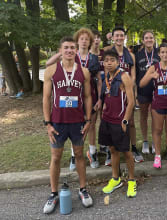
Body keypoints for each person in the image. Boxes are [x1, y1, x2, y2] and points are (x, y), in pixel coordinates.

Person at [42, 36, 93, 214]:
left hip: (77, 121)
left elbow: (87, 97)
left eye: (72, 47)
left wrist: (88, 120)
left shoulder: (84, 72)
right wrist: (48, 123)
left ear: (76, 50)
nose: (70, 50)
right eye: (66, 48)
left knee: (79, 154)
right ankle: (53, 193)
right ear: (61, 50)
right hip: (58, 121)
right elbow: (46, 98)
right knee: (56, 157)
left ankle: (83, 189)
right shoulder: (51, 70)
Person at [46, 28, 102, 170]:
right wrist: (63, 50)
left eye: (87, 39)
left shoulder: (94, 58)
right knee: (74, 126)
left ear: (90, 42)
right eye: (81, 39)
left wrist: (100, 98)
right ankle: (74, 155)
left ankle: (92, 152)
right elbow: (48, 63)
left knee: (90, 126)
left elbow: (99, 80)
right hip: (72, 98)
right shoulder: (70, 55)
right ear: (77, 41)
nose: (84, 41)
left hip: (90, 95)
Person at [99, 49, 136, 197]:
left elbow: (131, 101)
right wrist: (100, 105)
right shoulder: (106, 77)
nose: (109, 63)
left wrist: (125, 120)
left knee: (126, 152)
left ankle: (132, 181)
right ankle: (116, 179)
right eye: (106, 60)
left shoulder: (124, 76)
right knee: (113, 150)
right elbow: (106, 96)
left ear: (117, 61)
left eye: (112, 60)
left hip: (120, 121)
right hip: (107, 119)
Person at [107, 26, 144, 163]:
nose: (119, 38)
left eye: (121, 35)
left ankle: (133, 147)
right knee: (111, 121)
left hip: (127, 92)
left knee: (131, 121)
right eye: (116, 35)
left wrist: (127, 85)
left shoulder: (131, 55)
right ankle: (111, 151)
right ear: (112, 37)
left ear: (124, 37)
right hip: (113, 92)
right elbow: (106, 73)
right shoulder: (109, 53)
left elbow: (133, 75)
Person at [140, 43, 167, 168]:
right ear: (159, 54)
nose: (165, 54)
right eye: (162, 52)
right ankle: (157, 155)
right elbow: (141, 84)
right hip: (158, 104)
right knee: (157, 130)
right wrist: (151, 76)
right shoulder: (153, 67)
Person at [135, 30, 160, 154]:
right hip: (142, 90)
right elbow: (135, 75)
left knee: (155, 117)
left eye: (151, 37)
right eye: (146, 38)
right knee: (143, 116)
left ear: (154, 39)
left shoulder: (159, 53)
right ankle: (145, 141)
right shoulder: (138, 55)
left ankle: (155, 141)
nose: (149, 40)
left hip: (157, 91)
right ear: (143, 40)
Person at [90, 30, 111, 166]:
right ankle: (92, 151)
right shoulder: (86, 55)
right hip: (91, 92)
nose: (97, 40)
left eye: (98, 38)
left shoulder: (105, 52)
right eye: (94, 38)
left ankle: (106, 146)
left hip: (107, 90)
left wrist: (111, 39)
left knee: (106, 120)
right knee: (92, 122)